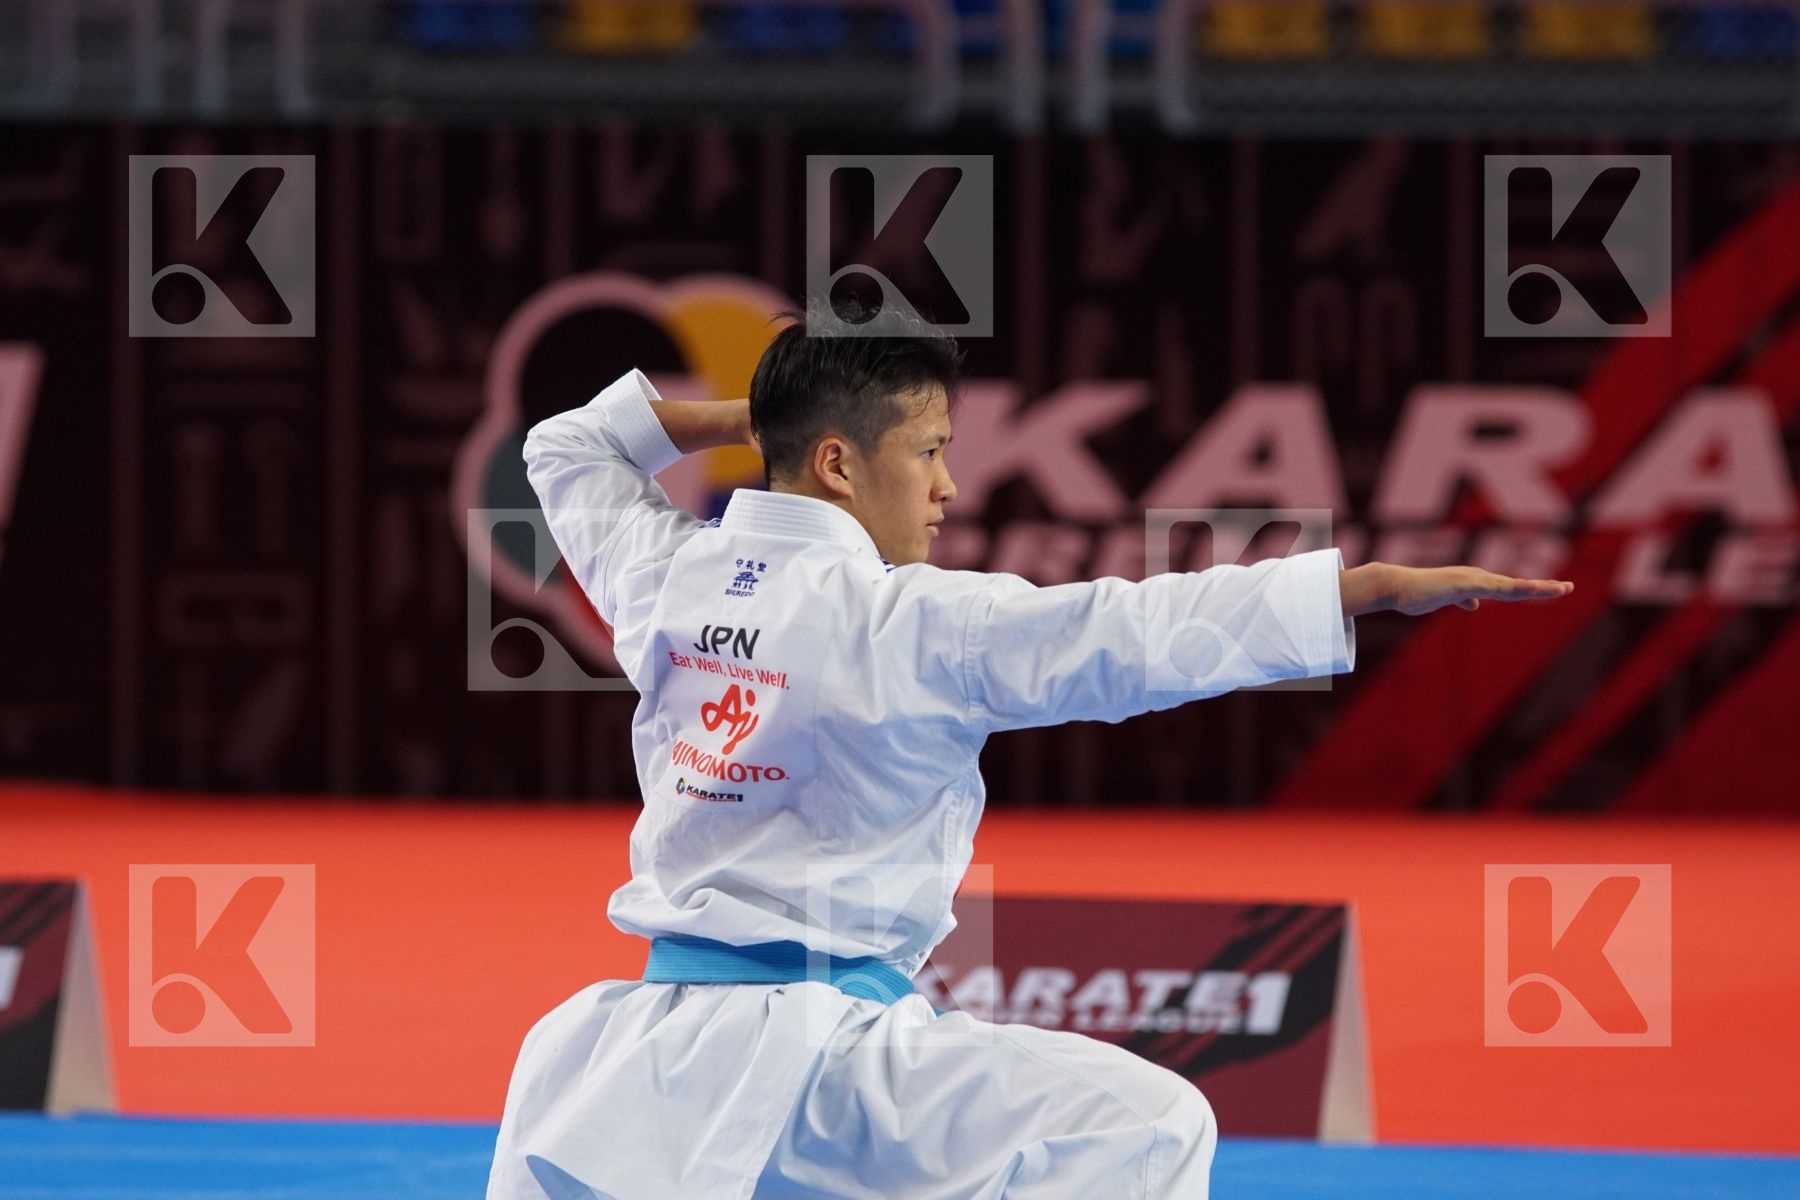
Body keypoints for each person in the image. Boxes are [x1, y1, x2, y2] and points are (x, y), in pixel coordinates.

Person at [485, 300, 1574, 1200]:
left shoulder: (664, 580)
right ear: (838, 464)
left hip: (626, 1070)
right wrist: (1359, 588)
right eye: (927, 452)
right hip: (828, 1068)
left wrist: (760, 417)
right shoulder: (915, 624)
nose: (948, 487)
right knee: (1153, 1128)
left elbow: (564, 444)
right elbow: (1132, 635)